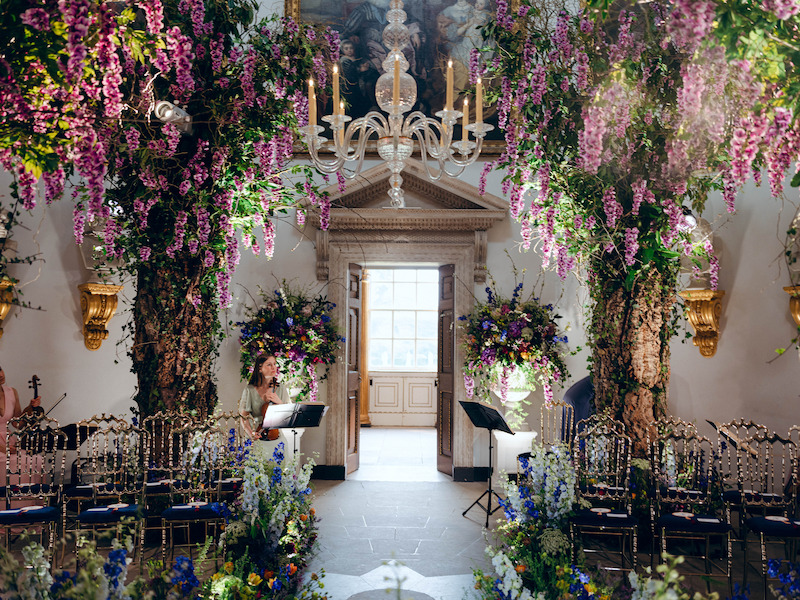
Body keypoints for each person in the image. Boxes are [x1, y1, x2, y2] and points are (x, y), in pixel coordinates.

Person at [238, 354, 289, 442]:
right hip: (257, 434)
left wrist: (280, 403)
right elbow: (243, 417)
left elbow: (289, 415)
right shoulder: (249, 390)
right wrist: (251, 433)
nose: (274, 367)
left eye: (274, 364)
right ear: (260, 369)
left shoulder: (281, 388)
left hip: (277, 437)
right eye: (269, 365)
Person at [0, 366, 42, 455]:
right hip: (2, 448)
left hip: (9, 441)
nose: (1, 375)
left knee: (35, 460)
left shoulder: (12, 392)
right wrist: (3, 449)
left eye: (0, 370)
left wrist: (30, 407)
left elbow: (17, 424)